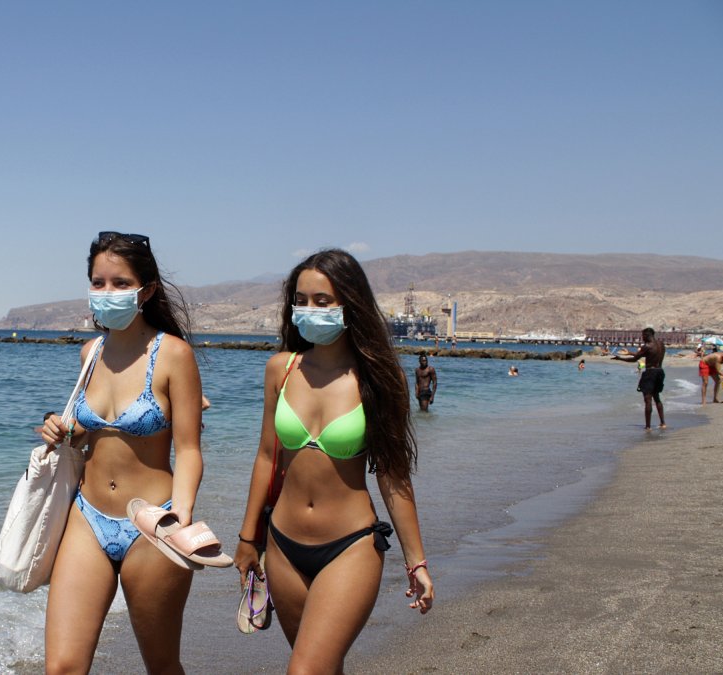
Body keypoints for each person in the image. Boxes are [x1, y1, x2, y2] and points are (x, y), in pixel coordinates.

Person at [233, 249, 433, 672]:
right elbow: (267, 456)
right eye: (301, 300)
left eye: (323, 301)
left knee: (305, 670)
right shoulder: (280, 370)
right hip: (283, 546)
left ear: (350, 304)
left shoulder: (379, 378)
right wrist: (248, 538)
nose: (310, 310)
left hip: (350, 547)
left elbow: (393, 475)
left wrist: (416, 561)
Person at [37, 231, 206, 673]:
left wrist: (179, 520)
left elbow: (188, 450)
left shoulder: (174, 355)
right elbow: (90, 435)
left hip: (152, 524)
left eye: (119, 283)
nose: (106, 293)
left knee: (161, 666)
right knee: (62, 667)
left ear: (146, 291)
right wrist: (63, 429)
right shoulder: (90, 354)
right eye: (98, 282)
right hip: (87, 517)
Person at [612, 327, 667, 429]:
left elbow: (634, 360)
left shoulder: (647, 346)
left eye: (642, 336)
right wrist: (630, 352)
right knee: (657, 397)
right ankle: (663, 423)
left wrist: (620, 358)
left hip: (650, 373)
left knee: (648, 399)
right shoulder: (661, 345)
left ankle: (648, 426)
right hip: (660, 372)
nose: (642, 338)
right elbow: (647, 355)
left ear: (646, 335)